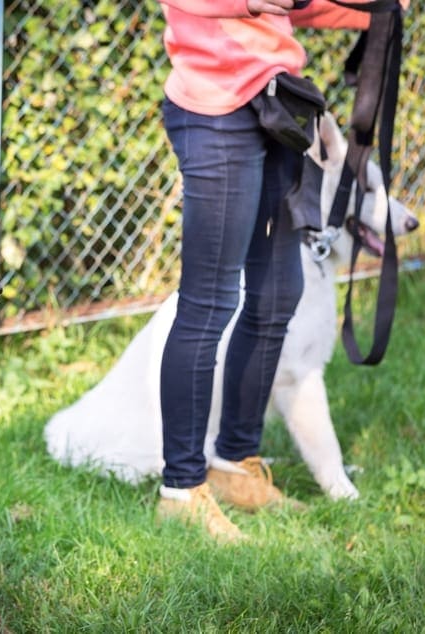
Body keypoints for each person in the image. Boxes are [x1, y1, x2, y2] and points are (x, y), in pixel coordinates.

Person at [154, 0, 383, 541]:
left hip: (278, 103)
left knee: (280, 290)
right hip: (215, 107)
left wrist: (372, 11)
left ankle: (235, 464)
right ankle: (181, 491)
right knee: (209, 302)